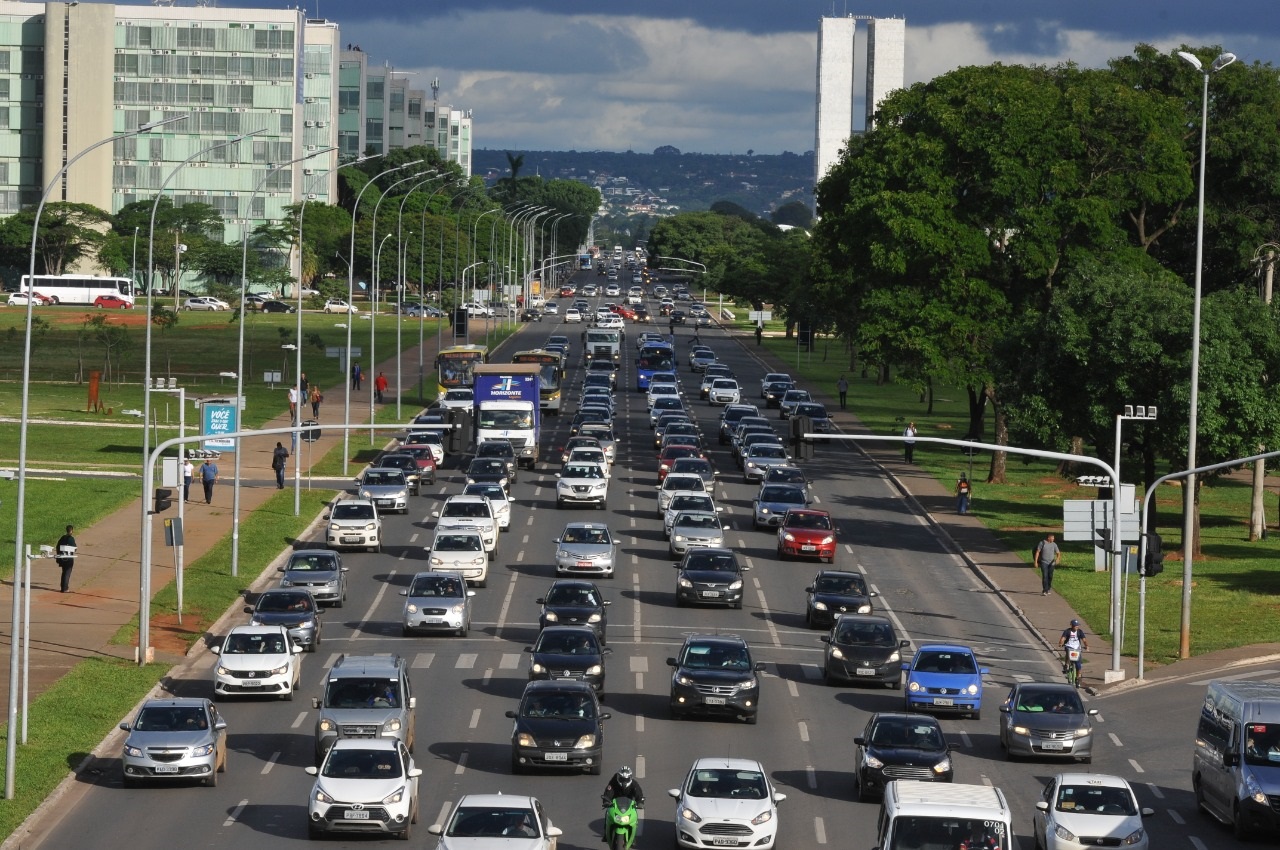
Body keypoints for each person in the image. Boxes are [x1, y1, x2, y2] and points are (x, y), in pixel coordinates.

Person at [55, 524, 76, 593]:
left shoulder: (62, 537)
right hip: (68, 558)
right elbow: (74, 548)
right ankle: (65, 588)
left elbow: (57, 546)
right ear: (72, 530)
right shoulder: (71, 539)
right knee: (67, 572)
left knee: (64, 572)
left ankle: (63, 587)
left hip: (62, 557)